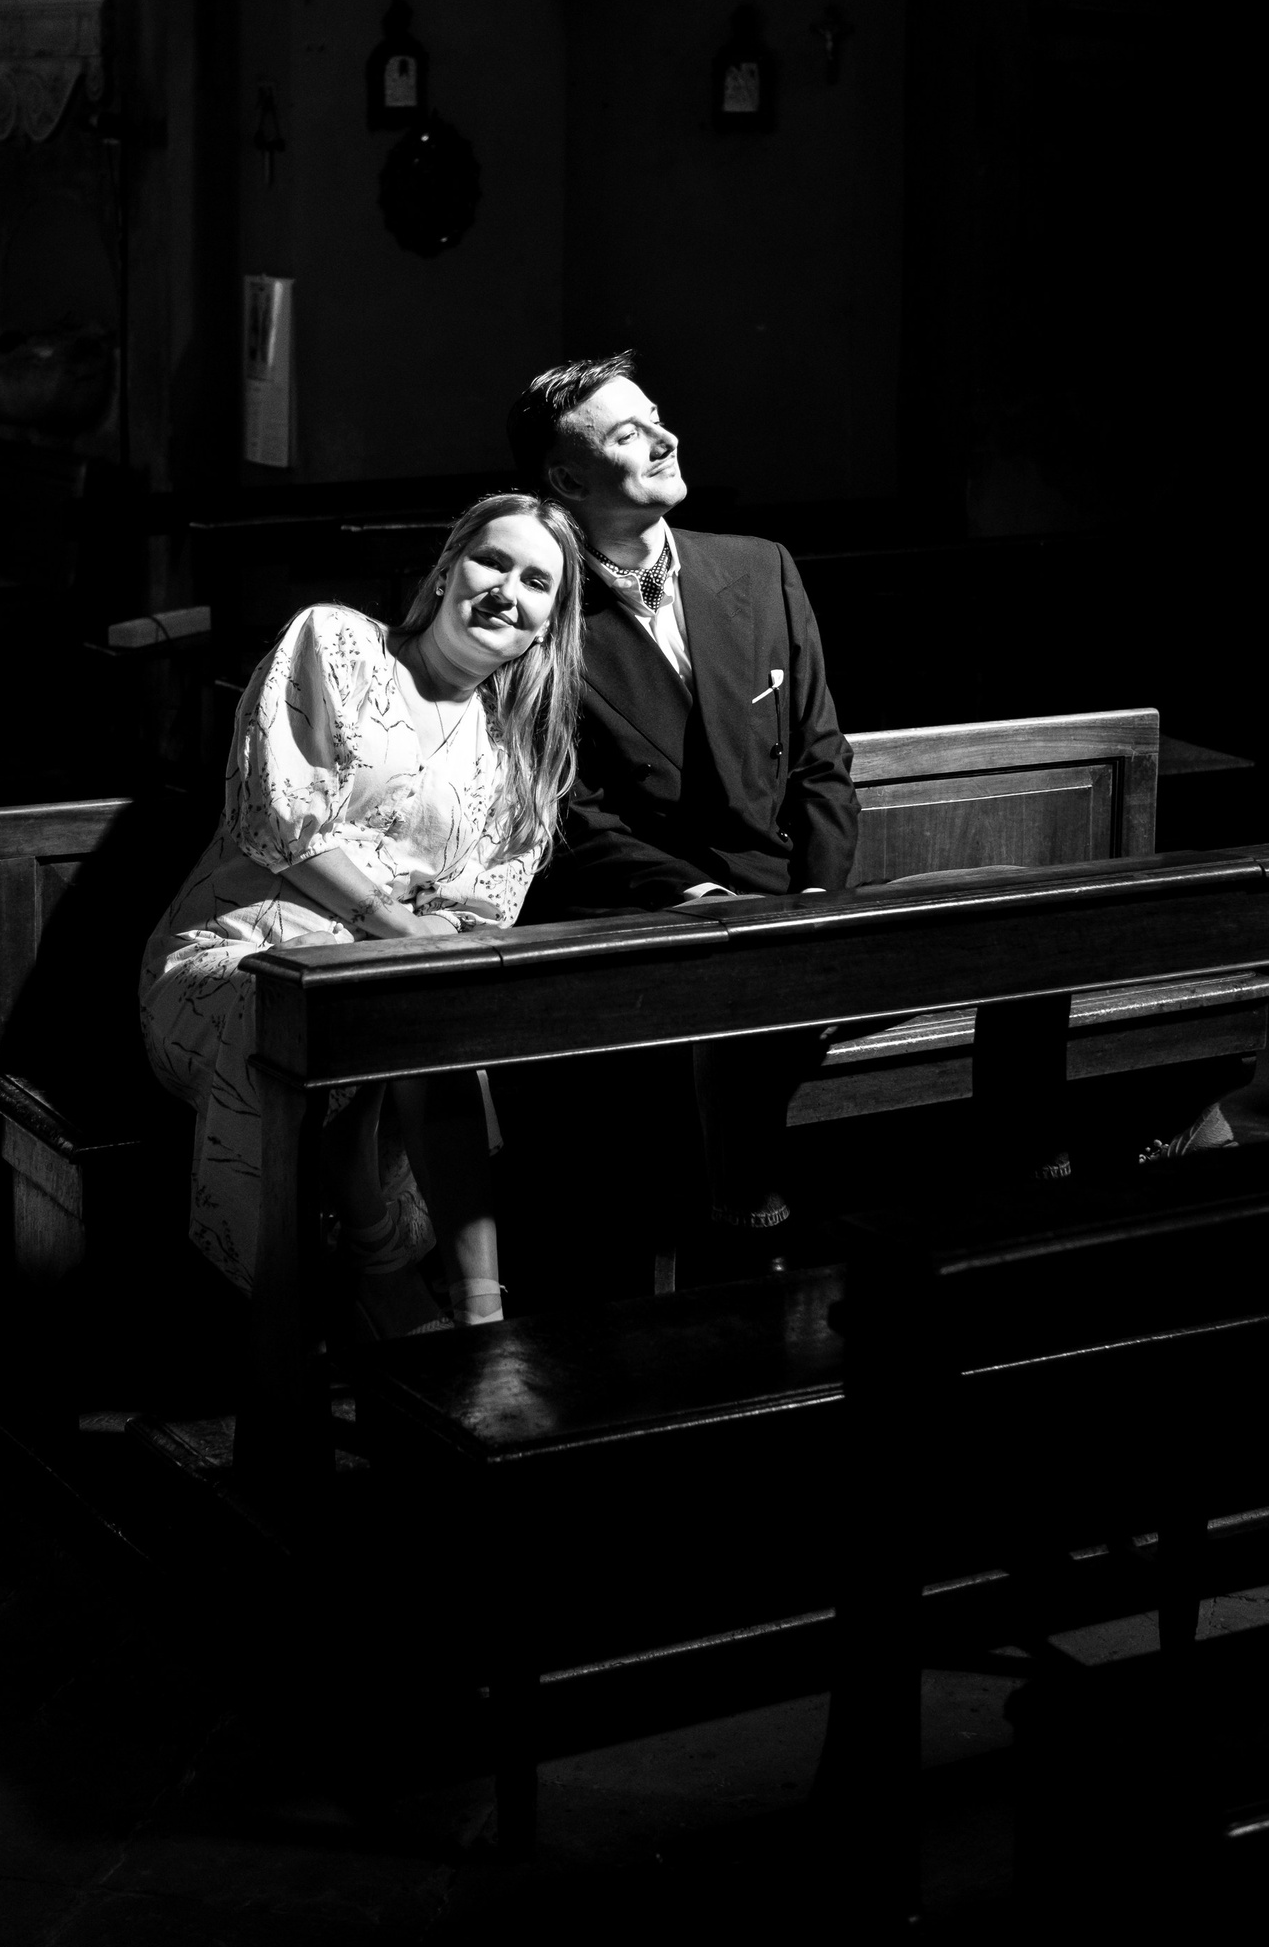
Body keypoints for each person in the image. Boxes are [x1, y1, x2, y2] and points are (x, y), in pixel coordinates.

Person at [140, 493, 583, 1337]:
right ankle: (378, 1271)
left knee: (412, 1006)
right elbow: (280, 818)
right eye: (492, 561)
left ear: (546, 629)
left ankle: (480, 1316)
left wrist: (415, 942)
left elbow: (488, 906)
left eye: (537, 583)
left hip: (391, 981)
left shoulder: (517, 751)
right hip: (238, 956)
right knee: (350, 1003)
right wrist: (397, 925)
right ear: (446, 569)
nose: (506, 590)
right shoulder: (337, 643)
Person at [507, 352, 858, 1260]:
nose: (666, 438)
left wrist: (819, 903)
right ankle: (746, 1260)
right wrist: (700, 901)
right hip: (653, 922)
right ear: (567, 480)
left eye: (657, 416)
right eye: (630, 434)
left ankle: (1047, 1206)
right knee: (731, 1004)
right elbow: (570, 815)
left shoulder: (759, 567)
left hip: (798, 905)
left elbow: (821, 762)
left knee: (1015, 927)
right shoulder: (539, 606)